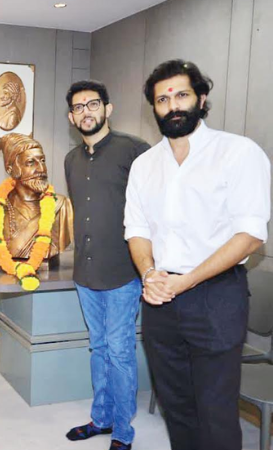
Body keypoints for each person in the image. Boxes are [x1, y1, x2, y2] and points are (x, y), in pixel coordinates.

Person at [125, 59, 271, 450]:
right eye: (162, 99)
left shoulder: (238, 153)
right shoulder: (143, 166)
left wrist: (186, 281)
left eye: (182, 95)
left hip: (216, 297)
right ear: (154, 108)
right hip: (160, 299)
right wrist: (149, 274)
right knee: (176, 407)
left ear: (201, 99)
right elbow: (137, 230)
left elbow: (250, 235)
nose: (172, 105)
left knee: (216, 412)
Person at [63, 80, 150, 450]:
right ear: (71, 117)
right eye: (78, 107)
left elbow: (154, 210)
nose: (86, 112)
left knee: (119, 352)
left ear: (108, 109)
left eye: (93, 104)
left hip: (123, 273)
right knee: (98, 348)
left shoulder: (135, 150)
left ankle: (123, 432)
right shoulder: (70, 160)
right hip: (85, 273)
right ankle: (101, 419)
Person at [0, 133, 73, 260]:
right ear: (11, 169)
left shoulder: (62, 206)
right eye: (30, 162)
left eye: (42, 161)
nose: (41, 169)